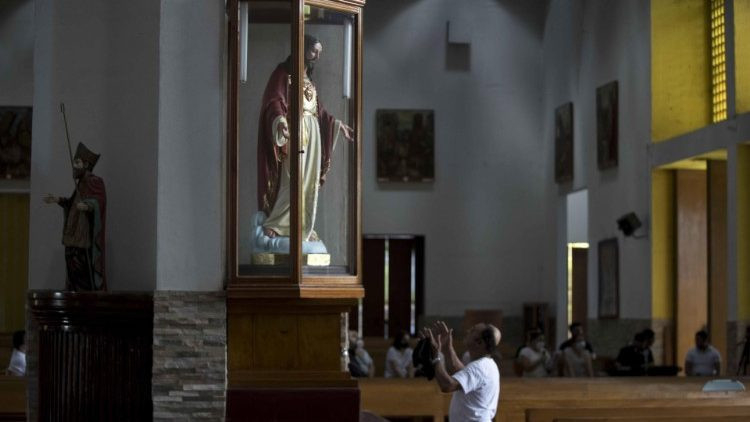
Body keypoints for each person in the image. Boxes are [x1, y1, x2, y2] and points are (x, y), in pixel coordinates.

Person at [255, 34, 354, 253]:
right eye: (313, 51)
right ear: (301, 49)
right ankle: (277, 223)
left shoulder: (308, 79)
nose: (317, 56)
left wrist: (337, 124)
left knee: (309, 182)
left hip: (313, 133)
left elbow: (320, 111)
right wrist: (280, 121)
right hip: (295, 130)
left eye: (319, 52)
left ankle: (302, 226)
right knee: (293, 178)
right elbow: (274, 100)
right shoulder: (283, 74)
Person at [44, 142, 107, 291]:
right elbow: (72, 204)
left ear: (86, 164)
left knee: (82, 277)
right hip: (72, 237)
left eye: (77, 162)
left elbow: (100, 202)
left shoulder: (95, 181)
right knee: (73, 275)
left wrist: (88, 205)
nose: (74, 166)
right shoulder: (80, 184)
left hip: (83, 240)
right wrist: (58, 199)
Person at [422, 321, 500, 422]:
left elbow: (447, 385)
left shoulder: (480, 367)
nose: (468, 331)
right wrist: (447, 347)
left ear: (479, 342)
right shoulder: (485, 364)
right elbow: (459, 372)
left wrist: (435, 356)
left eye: (473, 330)